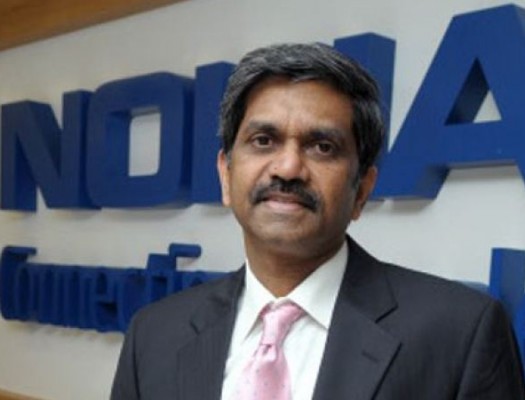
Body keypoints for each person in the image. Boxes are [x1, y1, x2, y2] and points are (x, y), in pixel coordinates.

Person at [111, 43, 525, 399]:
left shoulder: (461, 333)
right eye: (263, 140)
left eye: (322, 147)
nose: (288, 168)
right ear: (225, 174)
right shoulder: (153, 334)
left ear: (362, 189)